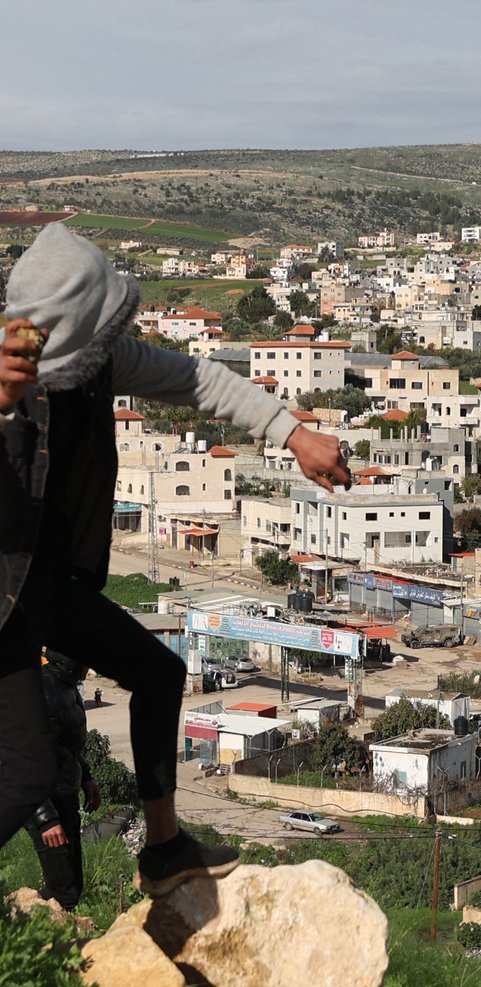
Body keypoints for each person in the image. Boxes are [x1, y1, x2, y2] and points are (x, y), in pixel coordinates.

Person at [0, 224, 350, 894]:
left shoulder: (97, 363)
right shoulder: (9, 374)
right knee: (23, 772)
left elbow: (198, 379)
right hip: (3, 599)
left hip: (48, 583)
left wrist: (293, 433)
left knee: (160, 673)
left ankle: (164, 849)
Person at [25, 651, 100, 913]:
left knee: (72, 886)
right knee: (62, 892)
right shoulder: (42, 690)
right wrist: (44, 818)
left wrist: (87, 778)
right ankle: (36, 932)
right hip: (42, 801)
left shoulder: (67, 687)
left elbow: (66, 745)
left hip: (64, 795)